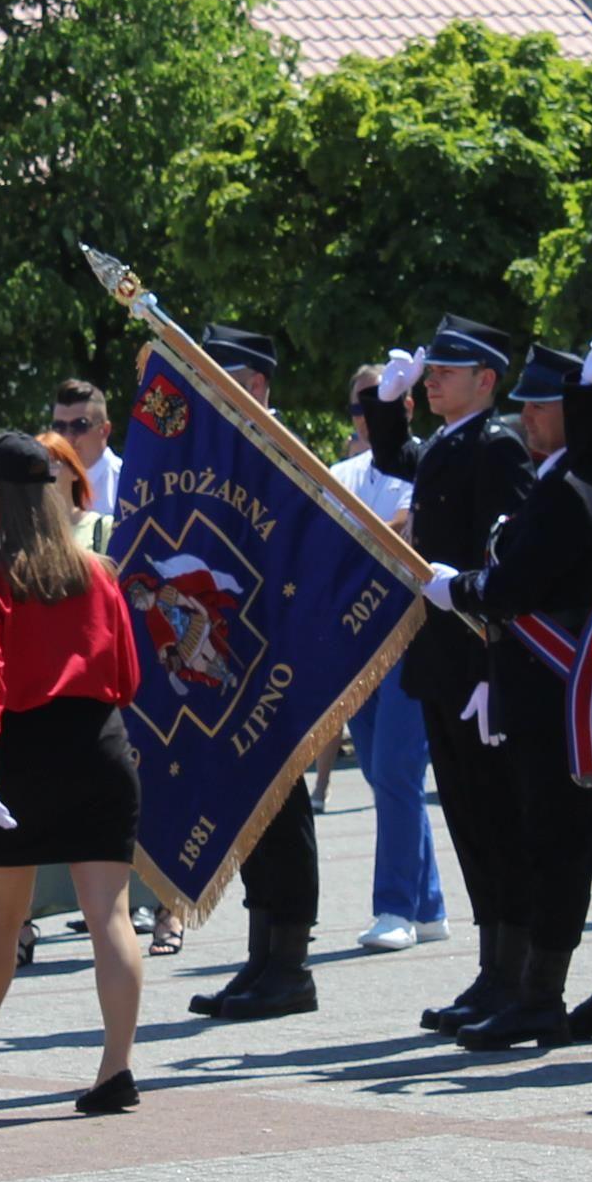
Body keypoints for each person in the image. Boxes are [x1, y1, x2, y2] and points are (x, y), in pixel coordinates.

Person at [425, 341, 592, 1048]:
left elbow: (514, 586)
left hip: (566, 700)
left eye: (541, 404)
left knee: (568, 845)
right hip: (564, 693)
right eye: (522, 403)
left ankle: (549, 995)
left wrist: (455, 587)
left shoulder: (572, 486)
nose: (527, 416)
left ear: (572, 411)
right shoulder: (564, 480)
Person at [0, 429, 149, 1113]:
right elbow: (126, 670)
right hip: (99, 742)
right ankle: (115, 1067)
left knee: (0, 919)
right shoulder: (98, 571)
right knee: (109, 916)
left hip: (22, 753)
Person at [356, 313, 537, 1031]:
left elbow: (505, 556)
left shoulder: (499, 448)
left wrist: (495, 654)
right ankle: (493, 968)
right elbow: (398, 457)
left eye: (443, 373)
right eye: (428, 373)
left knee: (497, 819)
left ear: (485, 382)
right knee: (465, 816)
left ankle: (517, 971)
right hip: (444, 660)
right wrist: (384, 401)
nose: (431, 382)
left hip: (484, 657)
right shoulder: (449, 446)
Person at [181, 326, 323, 1024]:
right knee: (252, 807)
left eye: (223, 374)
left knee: (284, 806)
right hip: (232, 654)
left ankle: (291, 963)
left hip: (280, 654)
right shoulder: (221, 450)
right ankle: (263, 954)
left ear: (257, 384)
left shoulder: (280, 451)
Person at [331, 365, 450, 952]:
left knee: (399, 770)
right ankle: (428, 903)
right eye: (360, 406)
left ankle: (395, 906)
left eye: (381, 404)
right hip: (356, 641)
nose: (366, 417)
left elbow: (404, 535)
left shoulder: (426, 462)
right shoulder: (338, 472)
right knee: (382, 772)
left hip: (410, 636)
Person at [50, 380, 124, 515]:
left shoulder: (126, 484)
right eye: (59, 427)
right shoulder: (46, 484)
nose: (67, 437)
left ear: (104, 430)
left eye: (79, 426)